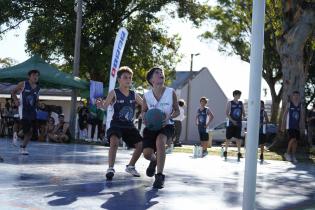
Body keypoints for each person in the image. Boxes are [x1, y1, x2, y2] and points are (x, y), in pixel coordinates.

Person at [96, 66, 143, 180]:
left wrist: (144, 113)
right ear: (119, 80)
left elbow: (145, 105)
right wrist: (101, 105)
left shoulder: (134, 94)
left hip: (129, 126)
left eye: (130, 78)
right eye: (125, 77)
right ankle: (110, 168)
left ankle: (131, 166)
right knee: (114, 142)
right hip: (116, 124)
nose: (128, 80)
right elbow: (105, 106)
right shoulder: (114, 92)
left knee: (141, 145)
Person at [142, 67, 180, 189]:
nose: (161, 74)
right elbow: (143, 111)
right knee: (147, 154)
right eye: (157, 73)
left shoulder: (170, 92)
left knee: (160, 142)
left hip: (166, 125)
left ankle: (159, 176)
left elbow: (177, 111)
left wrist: (169, 116)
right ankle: (154, 160)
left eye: (161, 72)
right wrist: (144, 117)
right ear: (151, 80)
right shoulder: (147, 96)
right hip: (152, 126)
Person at [11, 69, 40, 155]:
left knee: (30, 132)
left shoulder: (38, 88)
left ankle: (22, 145)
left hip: (32, 111)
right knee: (28, 129)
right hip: (23, 110)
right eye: (34, 75)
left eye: (37, 75)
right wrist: (16, 100)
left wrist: (39, 104)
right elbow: (13, 92)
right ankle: (16, 135)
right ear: (29, 76)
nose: (36, 77)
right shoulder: (23, 84)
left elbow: (36, 99)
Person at [224, 90, 246, 161]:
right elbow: (227, 113)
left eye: (240, 95)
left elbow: (243, 113)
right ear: (235, 95)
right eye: (239, 94)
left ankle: (239, 153)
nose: (239, 96)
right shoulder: (230, 103)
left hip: (238, 123)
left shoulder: (241, 103)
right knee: (228, 138)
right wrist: (233, 121)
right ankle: (225, 151)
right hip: (231, 123)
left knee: (238, 139)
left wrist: (243, 117)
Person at [282, 91, 303, 163]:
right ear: (292, 96)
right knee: (292, 138)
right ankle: (287, 153)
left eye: (297, 96)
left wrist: (301, 126)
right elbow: (284, 115)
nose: (296, 97)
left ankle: (293, 156)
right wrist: (283, 125)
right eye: (294, 95)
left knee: (295, 141)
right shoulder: (289, 104)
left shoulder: (300, 105)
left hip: (296, 126)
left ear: (299, 97)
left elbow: (301, 117)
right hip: (289, 125)